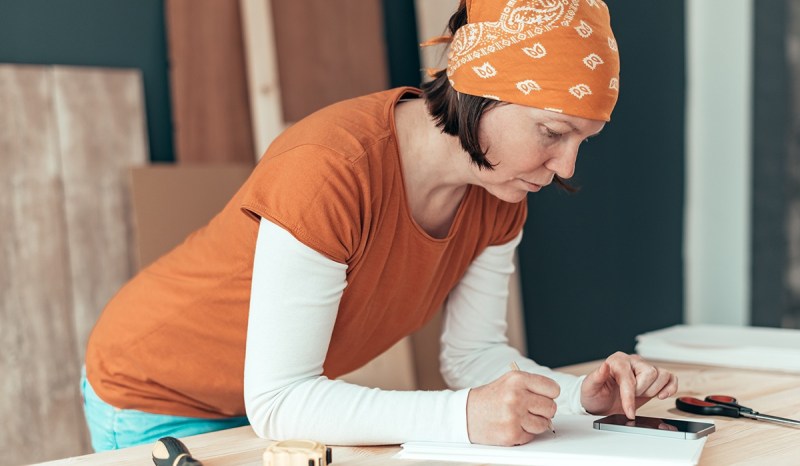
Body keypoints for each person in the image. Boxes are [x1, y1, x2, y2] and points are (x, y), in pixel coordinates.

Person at [83, 0, 678, 451]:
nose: (565, 166)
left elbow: (473, 357)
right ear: (479, 91)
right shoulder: (329, 171)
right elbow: (281, 399)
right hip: (155, 390)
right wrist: (462, 417)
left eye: (583, 140)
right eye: (551, 132)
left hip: (261, 400)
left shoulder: (500, 191)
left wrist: (581, 397)